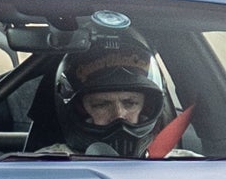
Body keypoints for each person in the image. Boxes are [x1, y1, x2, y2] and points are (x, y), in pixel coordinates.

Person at [55, 39, 191, 158]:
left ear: (146, 108)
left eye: (130, 103)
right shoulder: (48, 166)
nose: (119, 115)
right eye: (101, 104)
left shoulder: (187, 168)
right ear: (80, 111)